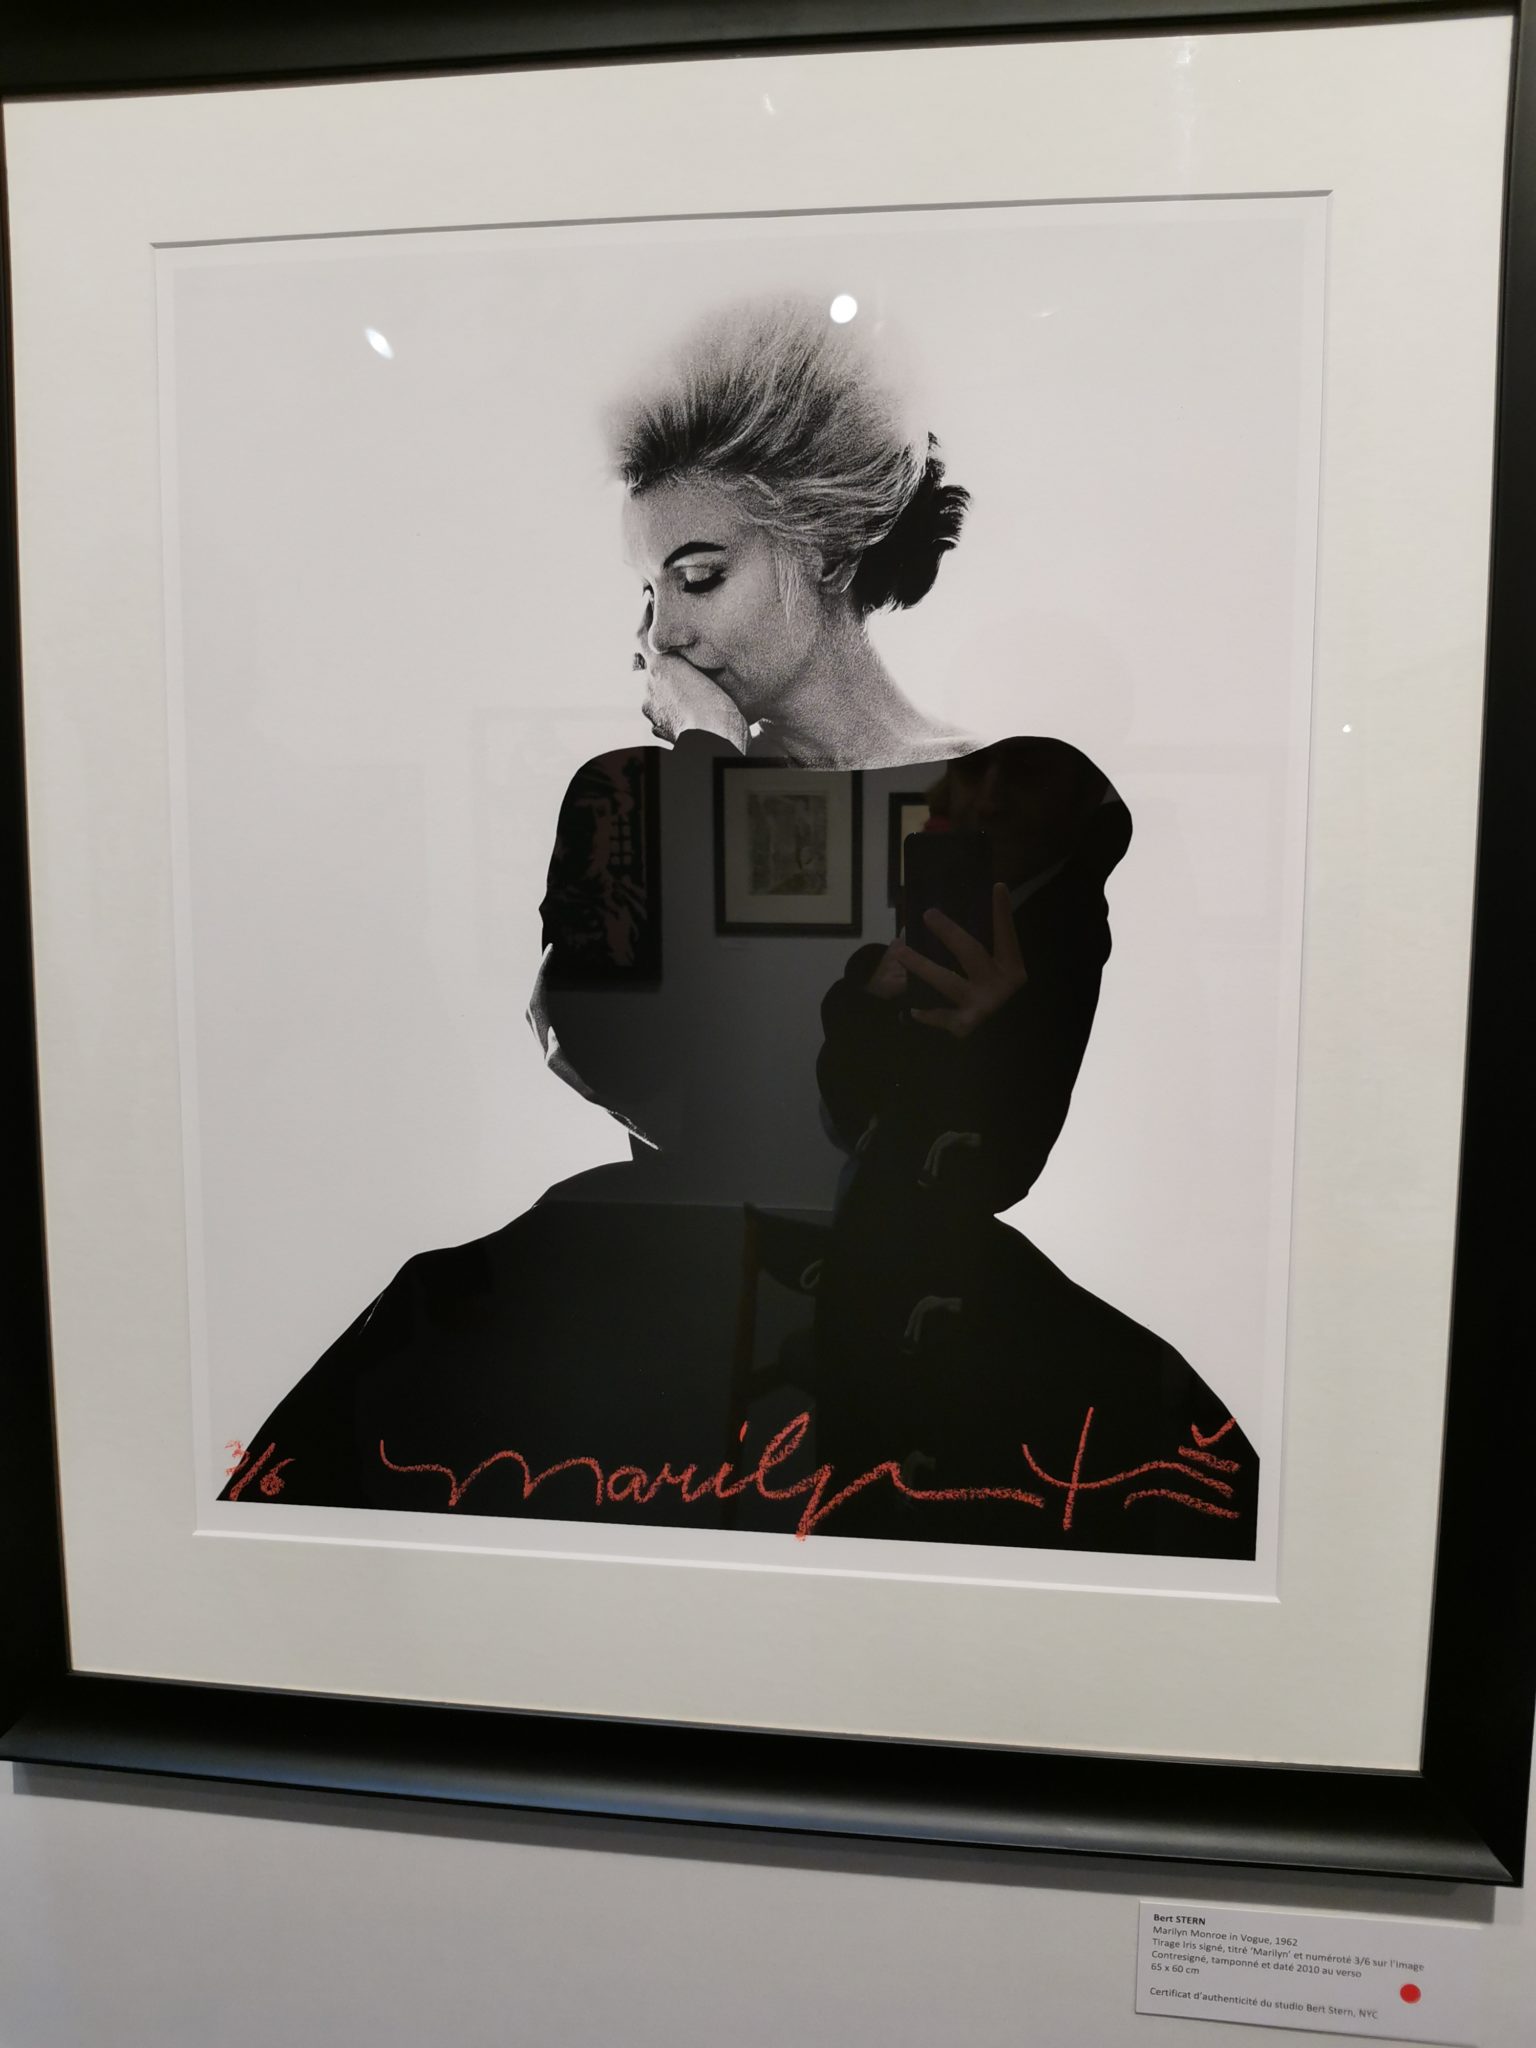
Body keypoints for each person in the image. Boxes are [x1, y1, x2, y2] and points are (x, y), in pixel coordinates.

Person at [223, 299, 1257, 1560]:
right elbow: (620, 1053)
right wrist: (706, 766)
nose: (664, 630)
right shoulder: (632, 795)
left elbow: (976, 1145)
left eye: (699, 575)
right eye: (649, 587)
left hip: (919, 1318)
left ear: (821, 546)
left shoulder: (1019, 799)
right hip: (637, 1297)